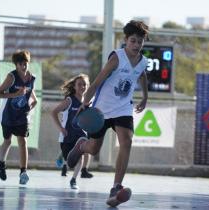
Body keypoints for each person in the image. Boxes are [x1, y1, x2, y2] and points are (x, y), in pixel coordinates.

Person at [67, 20, 149, 207]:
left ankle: (116, 186)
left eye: (140, 42)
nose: (136, 45)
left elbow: (142, 74)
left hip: (123, 109)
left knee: (126, 141)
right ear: (126, 40)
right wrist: (85, 102)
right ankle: (81, 146)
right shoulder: (117, 58)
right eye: (133, 41)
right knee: (94, 149)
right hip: (101, 110)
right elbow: (96, 82)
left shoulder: (143, 61)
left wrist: (144, 96)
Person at [0, 50, 37, 185]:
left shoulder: (32, 78)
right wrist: (16, 94)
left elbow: (33, 98)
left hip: (22, 117)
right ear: (16, 65)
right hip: (8, 116)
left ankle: (23, 172)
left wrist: (30, 106)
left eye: (25, 63)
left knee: (23, 141)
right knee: (7, 141)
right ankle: (1, 163)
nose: (23, 66)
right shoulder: (11, 77)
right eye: (20, 64)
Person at [51, 73, 93, 189]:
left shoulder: (88, 102)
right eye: (79, 84)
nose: (82, 87)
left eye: (85, 84)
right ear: (74, 86)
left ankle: (73, 180)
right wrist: (61, 128)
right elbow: (54, 112)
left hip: (80, 136)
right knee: (70, 162)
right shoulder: (69, 100)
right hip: (67, 136)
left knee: (81, 157)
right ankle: (62, 156)